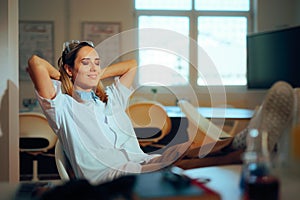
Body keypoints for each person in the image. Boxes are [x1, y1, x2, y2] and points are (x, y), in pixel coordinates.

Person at [27, 40, 295, 185]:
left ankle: (247, 143)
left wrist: (94, 75)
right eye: (86, 62)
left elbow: (131, 65)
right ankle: (253, 149)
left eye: (98, 62)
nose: (95, 67)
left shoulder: (109, 99)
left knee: (183, 150)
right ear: (70, 70)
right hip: (110, 177)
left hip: (138, 161)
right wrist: (71, 77)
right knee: (175, 162)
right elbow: (36, 63)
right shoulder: (61, 106)